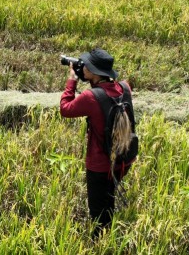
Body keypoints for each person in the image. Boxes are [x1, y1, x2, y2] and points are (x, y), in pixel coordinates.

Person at [60, 48, 134, 236]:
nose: (82, 68)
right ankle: (109, 230)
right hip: (123, 159)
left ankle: (100, 240)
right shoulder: (125, 87)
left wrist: (72, 80)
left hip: (100, 166)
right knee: (109, 199)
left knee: (98, 215)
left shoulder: (91, 97)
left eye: (86, 66)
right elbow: (108, 94)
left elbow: (65, 108)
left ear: (94, 71)